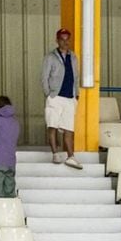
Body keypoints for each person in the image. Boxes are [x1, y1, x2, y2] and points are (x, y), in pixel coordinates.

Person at [40, 28, 81, 169]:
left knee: (69, 128)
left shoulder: (73, 57)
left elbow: (76, 77)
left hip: (70, 97)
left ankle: (71, 156)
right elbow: (44, 77)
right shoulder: (50, 57)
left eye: (67, 39)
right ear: (57, 40)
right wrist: (49, 93)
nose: (65, 42)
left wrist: (76, 94)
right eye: (62, 39)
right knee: (53, 125)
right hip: (55, 96)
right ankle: (55, 153)